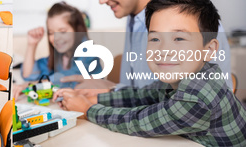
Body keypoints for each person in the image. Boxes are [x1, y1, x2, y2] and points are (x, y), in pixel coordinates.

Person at [55, 0, 246, 146]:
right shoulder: (185, 76)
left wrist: (88, 110)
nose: (163, 49)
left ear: (209, 49)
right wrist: (100, 98)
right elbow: (141, 95)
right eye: (154, 38)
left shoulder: (197, 98)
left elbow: (138, 121)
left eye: (179, 38)